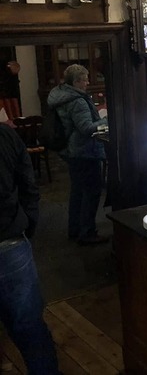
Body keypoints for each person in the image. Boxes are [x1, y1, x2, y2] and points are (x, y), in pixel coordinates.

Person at [0, 123, 59, 374]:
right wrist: (27, 224)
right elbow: (28, 184)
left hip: (10, 239)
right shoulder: (4, 134)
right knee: (28, 324)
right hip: (9, 240)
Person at [47, 64, 109, 245]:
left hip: (70, 150)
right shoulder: (77, 101)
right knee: (91, 193)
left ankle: (74, 229)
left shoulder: (60, 95)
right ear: (76, 82)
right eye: (85, 79)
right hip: (84, 151)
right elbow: (86, 128)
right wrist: (106, 120)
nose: (88, 82)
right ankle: (87, 232)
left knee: (77, 192)